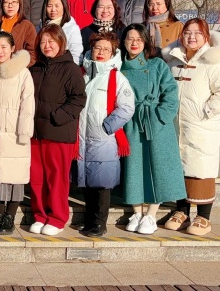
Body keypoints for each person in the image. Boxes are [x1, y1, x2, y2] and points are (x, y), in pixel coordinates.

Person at [162, 18, 220, 236]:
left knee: (201, 168)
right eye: (187, 33)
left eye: (197, 33)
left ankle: (204, 216)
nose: (191, 37)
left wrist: (206, 111)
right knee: (178, 167)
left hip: (201, 126)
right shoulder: (173, 61)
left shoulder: (214, 63)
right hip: (175, 125)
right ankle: (181, 210)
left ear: (206, 37)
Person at [119, 24, 186, 235]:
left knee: (158, 166)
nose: (134, 43)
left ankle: (151, 214)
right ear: (123, 41)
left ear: (146, 42)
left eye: (139, 39)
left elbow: (171, 94)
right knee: (134, 167)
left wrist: (160, 117)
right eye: (130, 38)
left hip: (155, 122)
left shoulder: (156, 65)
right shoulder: (118, 67)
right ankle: (137, 212)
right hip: (131, 122)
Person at [28, 24, 86, 236]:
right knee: (37, 177)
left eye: (51, 41)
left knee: (57, 178)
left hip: (58, 132)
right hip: (36, 133)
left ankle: (57, 217)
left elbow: (78, 99)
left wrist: (57, 117)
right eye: (43, 41)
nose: (47, 45)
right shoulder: (34, 68)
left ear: (61, 42)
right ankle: (40, 215)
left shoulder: (70, 69)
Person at [76, 32, 135, 237]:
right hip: (81, 137)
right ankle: (90, 219)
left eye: (106, 49)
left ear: (113, 53)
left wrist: (107, 126)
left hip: (103, 138)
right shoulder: (82, 73)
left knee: (101, 183)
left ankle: (99, 223)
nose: (101, 52)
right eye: (98, 48)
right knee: (87, 181)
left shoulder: (116, 77)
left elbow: (127, 107)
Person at [0, 31, 34, 235]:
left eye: (4, 47)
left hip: (14, 132)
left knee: (14, 177)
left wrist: (23, 132)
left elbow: (27, 105)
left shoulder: (23, 73)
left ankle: (9, 216)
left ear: (12, 49)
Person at [0, 0, 37, 66]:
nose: (10, 5)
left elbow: (33, 53)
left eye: (14, 2)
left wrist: (17, 66)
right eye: (6, 2)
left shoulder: (27, 26)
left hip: (18, 69)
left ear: (19, 3)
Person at [41, 0, 83, 65]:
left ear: (64, 6)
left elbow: (76, 55)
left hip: (64, 68)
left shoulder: (71, 28)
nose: (53, 10)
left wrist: (67, 69)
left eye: (57, 6)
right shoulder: (41, 26)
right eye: (49, 6)